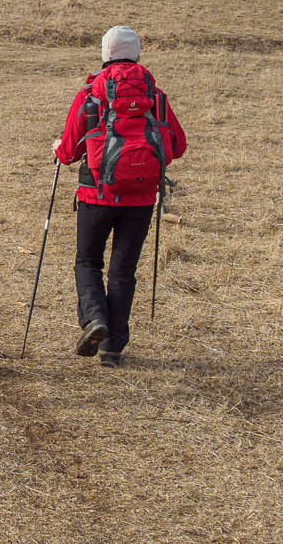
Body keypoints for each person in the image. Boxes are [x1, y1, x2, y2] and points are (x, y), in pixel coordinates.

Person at [52, 26, 186, 367]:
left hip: (96, 194)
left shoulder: (91, 93)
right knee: (123, 271)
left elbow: (68, 151)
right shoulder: (155, 96)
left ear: (104, 54)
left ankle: (95, 319)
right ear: (137, 53)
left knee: (87, 262)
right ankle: (112, 348)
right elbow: (178, 146)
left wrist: (58, 148)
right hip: (141, 199)